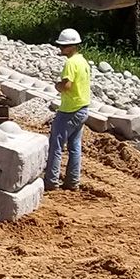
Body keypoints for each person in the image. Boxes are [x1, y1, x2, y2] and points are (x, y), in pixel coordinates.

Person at [44, 28, 92, 191]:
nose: (60, 49)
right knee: (75, 147)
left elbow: (66, 85)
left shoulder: (70, 63)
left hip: (69, 110)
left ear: (72, 46)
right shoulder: (82, 61)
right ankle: (72, 182)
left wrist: (57, 85)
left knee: (56, 146)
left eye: (63, 46)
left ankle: (51, 182)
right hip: (82, 108)